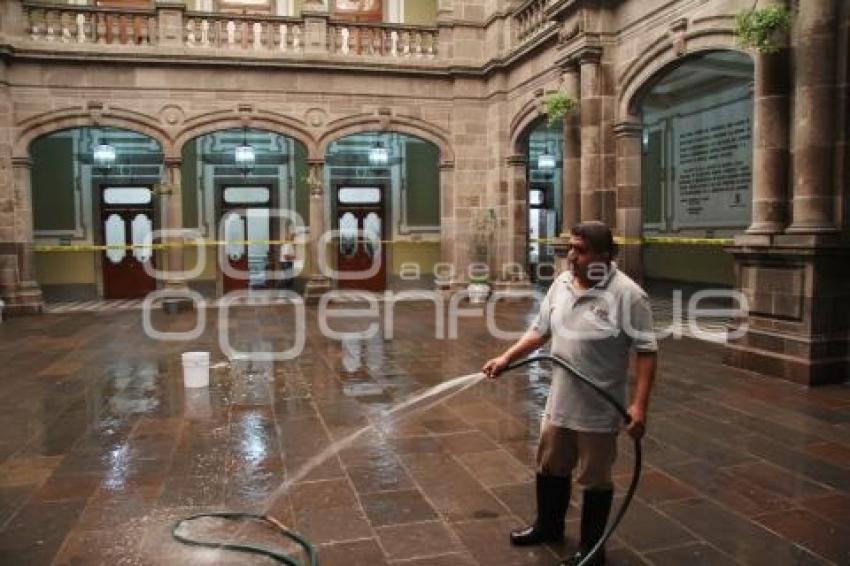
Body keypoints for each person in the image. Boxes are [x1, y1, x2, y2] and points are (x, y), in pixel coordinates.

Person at [482, 221, 658, 566]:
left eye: (580, 250)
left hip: (599, 406)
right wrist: (506, 358)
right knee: (550, 465)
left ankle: (593, 550)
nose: (570, 257)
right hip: (560, 399)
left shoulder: (629, 295)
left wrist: (639, 407)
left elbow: (647, 352)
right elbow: (539, 331)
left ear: (605, 256)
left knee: (595, 477)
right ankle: (548, 526)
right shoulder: (561, 284)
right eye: (570, 248)